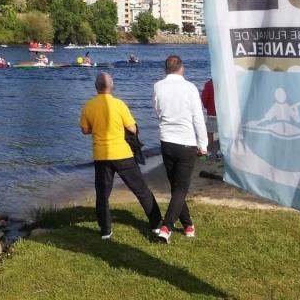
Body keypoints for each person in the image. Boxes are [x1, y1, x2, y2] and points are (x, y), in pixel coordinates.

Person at [80, 72, 162, 240]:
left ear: (96, 87)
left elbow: (85, 130)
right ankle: (156, 224)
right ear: (112, 86)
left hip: (101, 156)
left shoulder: (89, 105)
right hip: (122, 154)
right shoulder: (119, 104)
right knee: (141, 190)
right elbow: (132, 128)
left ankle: (105, 231)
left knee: (102, 194)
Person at [153, 55, 208, 242]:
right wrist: (203, 144)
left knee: (176, 187)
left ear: (165, 69)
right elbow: (198, 118)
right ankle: (166, 227)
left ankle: (188, 225)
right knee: (181, 188)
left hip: (166, 141)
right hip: (186, 142)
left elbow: (157, 111)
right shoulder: (190, 88)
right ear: (181, 68)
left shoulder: (158, 86)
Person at [201, 78, 220, 159]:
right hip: (223, 113)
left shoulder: (208, 84)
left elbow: (204, 99)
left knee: (210, 133)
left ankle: (209, 152)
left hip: (212, 112)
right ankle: (219, 152)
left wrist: (207, 106)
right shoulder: (223, 84)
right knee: (220, 133)